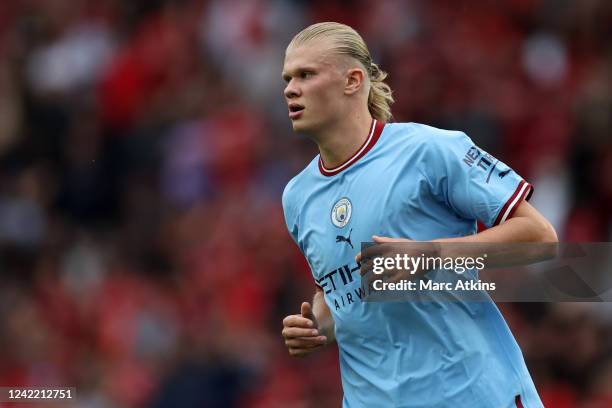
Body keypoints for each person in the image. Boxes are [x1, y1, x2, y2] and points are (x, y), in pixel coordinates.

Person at [280, 22, 557, 408]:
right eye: (288, 78)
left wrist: (430, 255)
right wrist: (319, 326)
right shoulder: (297, 196)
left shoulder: (429, 151)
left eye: (306, 75)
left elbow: (540, 239)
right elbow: (340, 288)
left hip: (472, 394)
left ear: (353, 81)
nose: (290, 88)